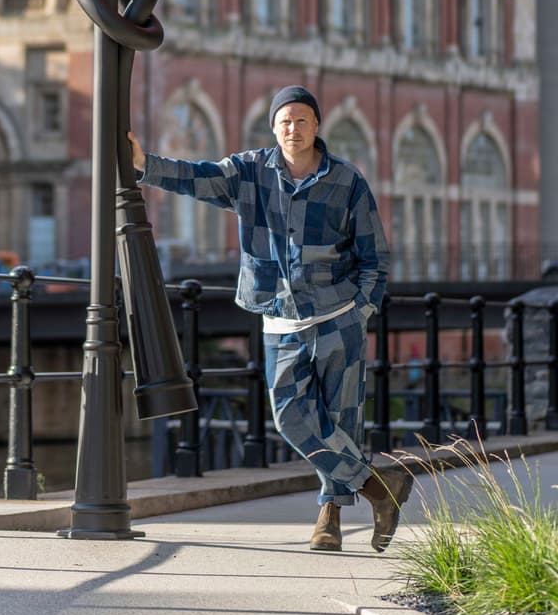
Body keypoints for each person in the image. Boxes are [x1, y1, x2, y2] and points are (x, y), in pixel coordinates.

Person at [129, 84, 413, 554]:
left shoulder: (347, 181)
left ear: (317, 126)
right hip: (279, 315)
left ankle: (331, 516)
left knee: (340, 418)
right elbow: (196, 177)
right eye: (285, 120)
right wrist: (144, 165)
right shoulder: (249, 173)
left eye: (302, 120)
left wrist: (364, 307)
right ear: (273, 126)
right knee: (291, 416)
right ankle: (380, 490)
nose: (292, 128)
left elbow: (375, 255)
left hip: (338, 315)